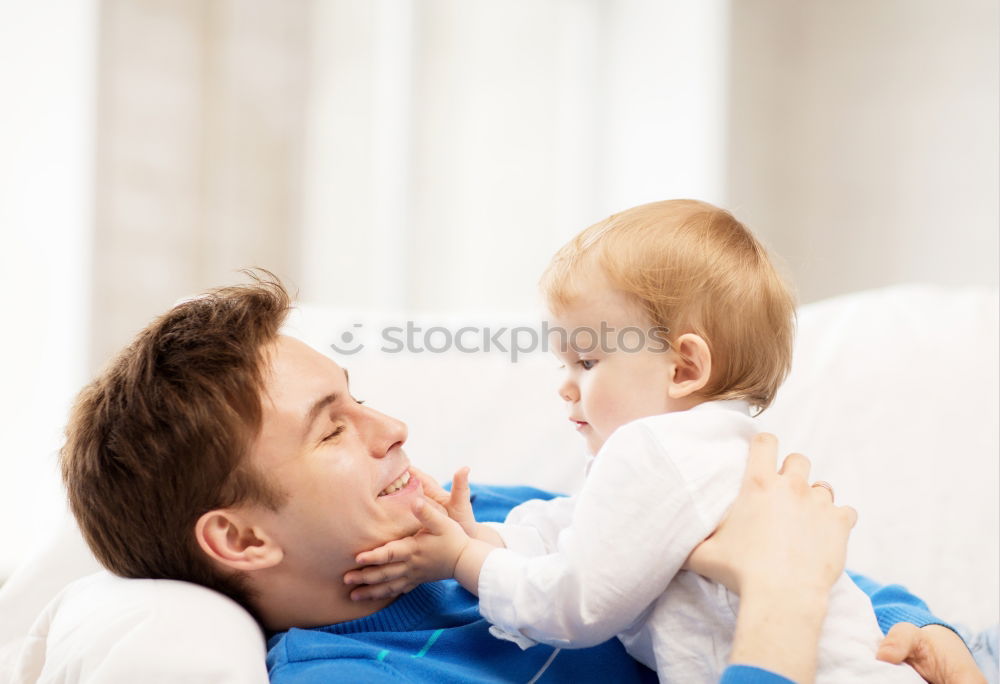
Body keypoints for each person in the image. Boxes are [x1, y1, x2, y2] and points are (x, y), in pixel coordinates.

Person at [59, 272, 978, 683]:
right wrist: (781, 600)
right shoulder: (350, 677)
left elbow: (754, 557)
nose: (394, 430)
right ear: (242, 538)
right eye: (334, 428)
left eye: (361, 397)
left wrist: (922, 629)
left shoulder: (489, 513)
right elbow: (777, 575)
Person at [344, 202, 985, 683]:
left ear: (684, 368)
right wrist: (491, 539)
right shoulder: (701, 449)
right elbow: (582, 528)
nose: (566, 388)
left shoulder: (655, 452)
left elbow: (577, 605)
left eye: (587, 363)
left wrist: (463, 560)